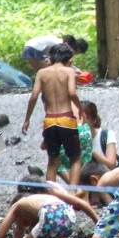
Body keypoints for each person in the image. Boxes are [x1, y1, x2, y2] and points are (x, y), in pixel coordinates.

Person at [22, 43, 85, 186]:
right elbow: (72, 93)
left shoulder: (41, 73)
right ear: (69, 59)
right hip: (67, 119)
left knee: (52, 161)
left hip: (49, 121)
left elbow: (33, 97)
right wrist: (80, 109)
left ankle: (51, 194)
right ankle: (74, 192)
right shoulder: (68, 71)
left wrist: (27, 119)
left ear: (51, 58)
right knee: (75, 158)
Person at [22, 33, 87, 73]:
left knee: (41, 72)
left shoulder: (62, 43)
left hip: (29, 46)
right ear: (78, 50)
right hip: (34, 48)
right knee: (47, 72)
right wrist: (77, 71)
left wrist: (76, 70)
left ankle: (44, 90)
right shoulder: (64, 47)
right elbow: (63, 63)